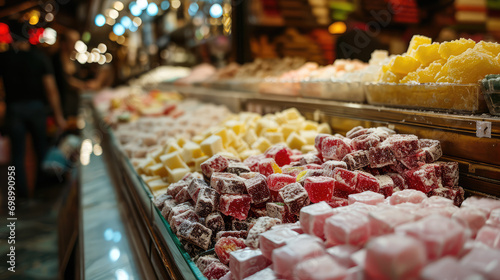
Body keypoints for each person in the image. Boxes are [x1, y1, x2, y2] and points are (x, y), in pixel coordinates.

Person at [0, 20, 66, 198]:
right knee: (41, 148)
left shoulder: (4, 58)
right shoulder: (38, 57)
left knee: (17, 154)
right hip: (37, 108)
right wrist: (59, 116)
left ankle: (19, 195)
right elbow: (51, 89)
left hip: (14, 108)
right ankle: (42, 190)